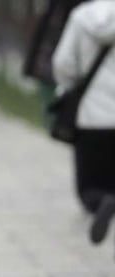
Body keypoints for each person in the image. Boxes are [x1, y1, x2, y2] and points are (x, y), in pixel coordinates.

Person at [51, 0, 115, 245]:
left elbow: (63, 63)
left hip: (91, 118)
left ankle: (102, 202)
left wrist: (72, 84)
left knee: (89, 188)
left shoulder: (81, 17)